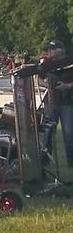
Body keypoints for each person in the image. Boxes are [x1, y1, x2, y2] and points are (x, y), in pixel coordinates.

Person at [41, 40, 73, 169]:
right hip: (50, 102)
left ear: (61, 50)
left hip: (67, 102)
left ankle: (71, 163)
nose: (51, 51)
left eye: (53, 49)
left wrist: (67, 86)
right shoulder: (47, 63)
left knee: (69, 134)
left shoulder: (70, 62)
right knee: (47, 134)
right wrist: (48, 85)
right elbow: (38, 78)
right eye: (50, 49)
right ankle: (45, 163)